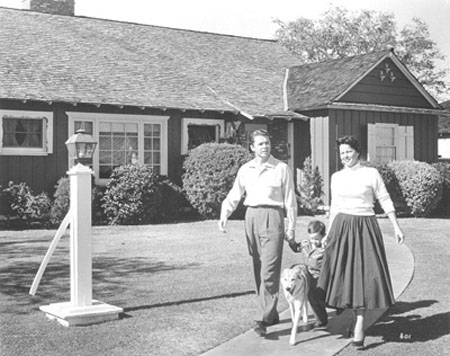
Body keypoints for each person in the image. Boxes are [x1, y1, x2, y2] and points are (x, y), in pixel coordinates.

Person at [317, 135, 405, 348]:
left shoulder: (370, 173)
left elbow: (384, 198)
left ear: (357, 151)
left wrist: (396, 225)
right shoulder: (336, 177)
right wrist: (328, 233)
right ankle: (346, 311)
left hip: (365, 227)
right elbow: (335, 205)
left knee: (363, 277)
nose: (345, 156)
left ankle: (359, 324)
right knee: (341, 275)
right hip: (341, 227)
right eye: (341, 153)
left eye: (348, 151)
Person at [218, 129, 297, 337]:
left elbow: (290, 201)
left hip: (273, 217)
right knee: (258, 266)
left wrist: (291, 228)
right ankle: (271, 313)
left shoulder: (281, 168)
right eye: (260, 144)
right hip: (252, 217)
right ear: (252, 147)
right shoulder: (246, 169)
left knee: (269, 269)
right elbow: (235, 194)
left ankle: (262, 318)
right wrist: (224, 214)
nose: (265, 146)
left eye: (267, 143)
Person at [290, 220, 328, 329]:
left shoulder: (326, 248)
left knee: (320, 298)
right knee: (312, 298)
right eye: (312, 238)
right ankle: (321, 321)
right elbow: (296, 248)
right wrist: (291, 241)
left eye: (317, 239)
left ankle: (338, 312)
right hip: (309, 278)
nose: (314, 241)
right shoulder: (305, 244)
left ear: (323, 236)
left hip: (322, 278)